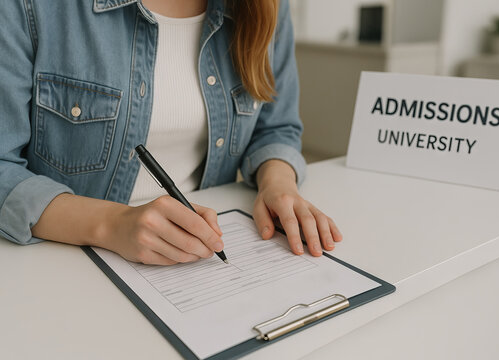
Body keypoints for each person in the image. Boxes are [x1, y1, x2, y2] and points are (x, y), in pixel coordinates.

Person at [0, 0, 342, 265]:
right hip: (61, 265)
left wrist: (277, 184)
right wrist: (111, 225)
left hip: (196, 263)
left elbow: (276, 128)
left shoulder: (264, 8)